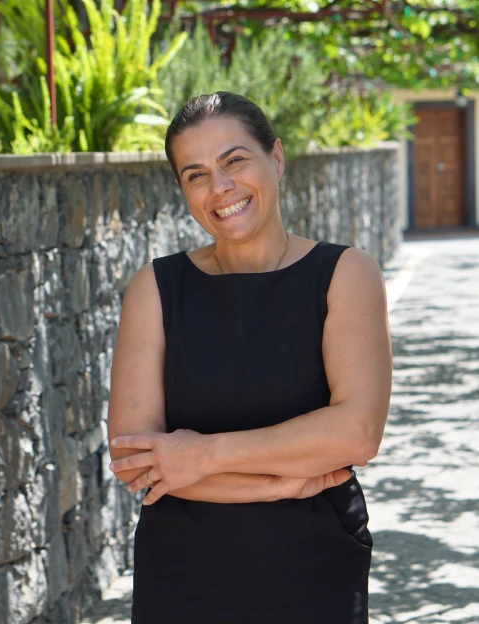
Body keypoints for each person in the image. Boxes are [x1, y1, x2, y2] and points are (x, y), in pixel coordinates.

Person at [107, 91, 392, 623]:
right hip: (182, 574)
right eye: (195, 174)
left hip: (315, 568)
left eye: (234, 160)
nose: (220, 187)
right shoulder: (154, 288)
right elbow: (136, 459)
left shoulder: (345, 274)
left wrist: (202, 457)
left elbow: (356, 433)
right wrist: (283, 481)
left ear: (276, 158)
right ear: (183, 191)